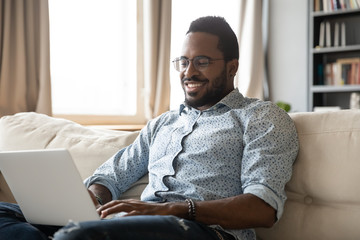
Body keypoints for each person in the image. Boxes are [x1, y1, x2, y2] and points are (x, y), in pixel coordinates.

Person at [0, 16, 298, 240]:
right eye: (183, 61)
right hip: (136, 226)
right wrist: (94, 199)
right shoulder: (163, 124)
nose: (189, 72)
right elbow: (111, 175)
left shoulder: (260, 117)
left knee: (77, 236)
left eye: (202, 61)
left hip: (204, 231)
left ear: (232, 67)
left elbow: (263, 208)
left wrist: (173, 209)